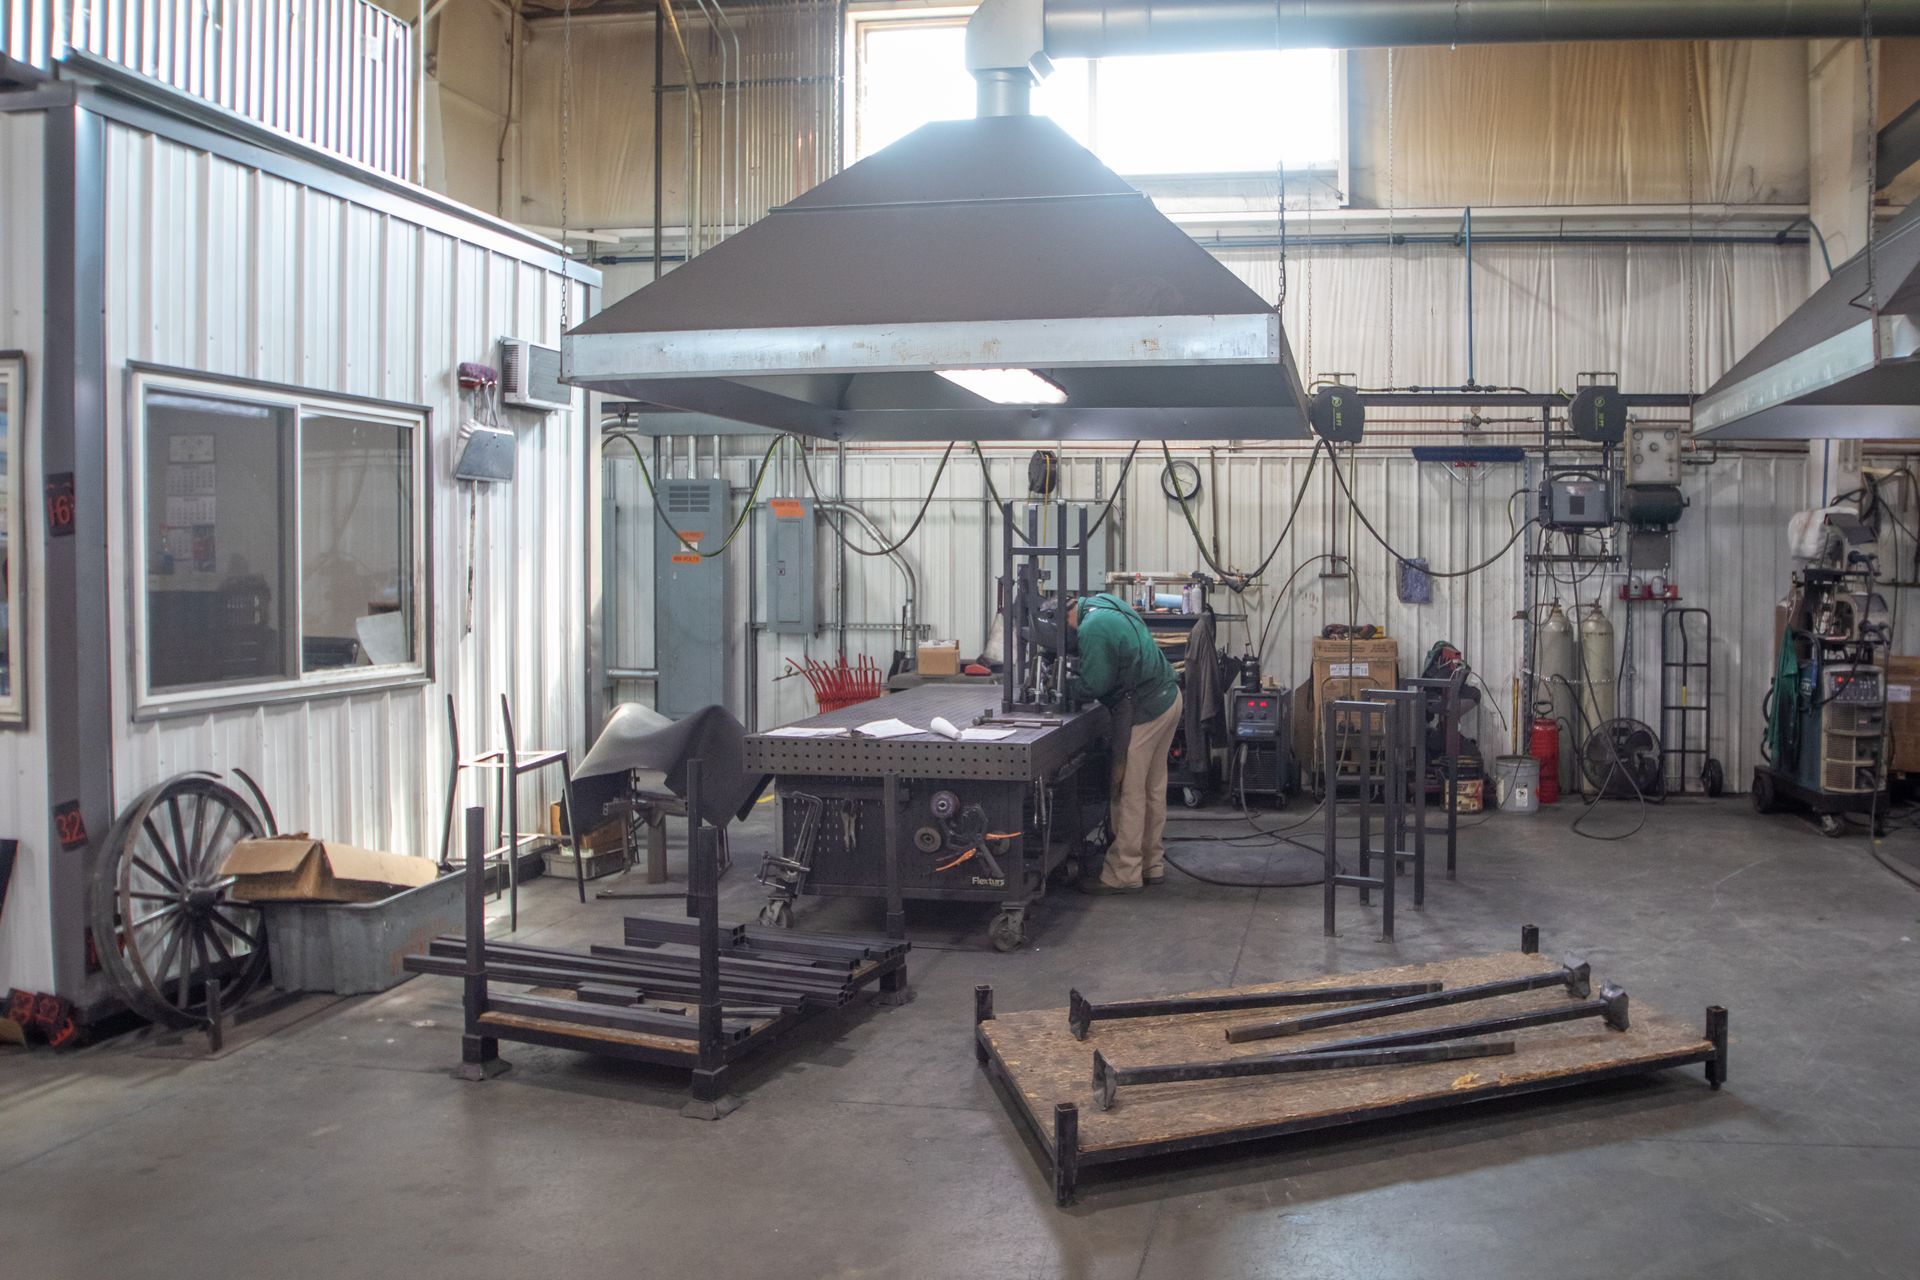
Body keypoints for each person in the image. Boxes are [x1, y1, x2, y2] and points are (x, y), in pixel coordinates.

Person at [1065, 593, 1184, 894]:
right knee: (1152, 788)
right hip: (1168, 698)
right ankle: (1151, 863)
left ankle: (1124, 872)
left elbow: (1095, 685)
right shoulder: (1104, 601)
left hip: (1145, 710)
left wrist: (1066, 686)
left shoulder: (1092, 627)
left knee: (1128, 790)